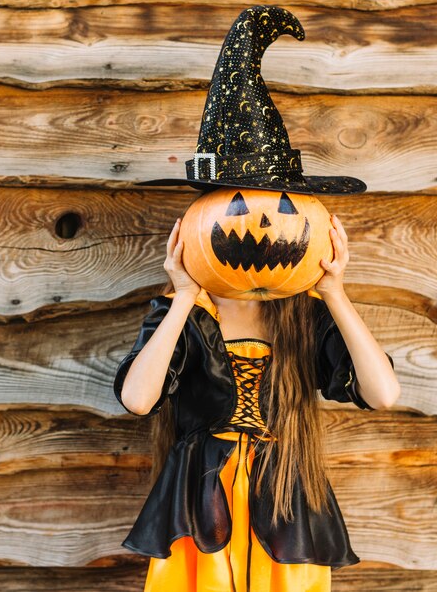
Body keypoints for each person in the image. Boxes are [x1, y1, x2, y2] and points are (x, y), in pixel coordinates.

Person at [113, 202, 400, 592]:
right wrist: (182, 297)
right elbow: (138, 399)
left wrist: (334, 293)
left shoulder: (305, 316)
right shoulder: (187, 315)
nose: (263, 224)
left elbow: (383, 393)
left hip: (284, 494)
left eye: (282, 208)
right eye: (239, 205)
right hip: (202, 500)